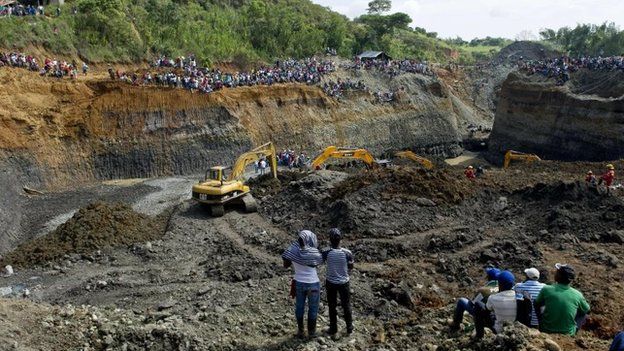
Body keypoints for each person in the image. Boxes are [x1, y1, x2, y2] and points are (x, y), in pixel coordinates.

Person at [282, 230, 323, 338]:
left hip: (299, 282)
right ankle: (312, 332)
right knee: (313, 308)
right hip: (313, 283)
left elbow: (286, 264)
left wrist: (294, 258)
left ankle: (301, 331)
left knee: (299, 307)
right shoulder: (314, 252)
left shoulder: (293, 250)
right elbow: (318, 262)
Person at [534, 264, 590, 335]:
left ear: (558, 276)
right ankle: (574, 329)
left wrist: (539, 319)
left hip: (545, 329)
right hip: (567, 333)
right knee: (583, 313)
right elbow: (587, 310)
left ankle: (542, 324)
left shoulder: (547, 289)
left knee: (542, 304)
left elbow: (536, 303)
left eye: (557, 272)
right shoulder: (578, 294)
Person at [322, 228, 354, 336]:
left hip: (331, 282)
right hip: (344, 283)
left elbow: (321, 261)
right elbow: (351, 267)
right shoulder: (347, 253)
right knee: (346, 305)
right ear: (340, 239)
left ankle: (333, 328)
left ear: (330, 240)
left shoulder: (326, 252)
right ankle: (349, 327)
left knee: (332, 306)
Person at [478, 270, 517, 337]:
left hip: (498, 330)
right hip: (515, 330)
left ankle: (479, 335)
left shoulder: (493, 298)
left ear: (499, 284)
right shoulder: (518, 297)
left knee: (478, 305)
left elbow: (487, 311)